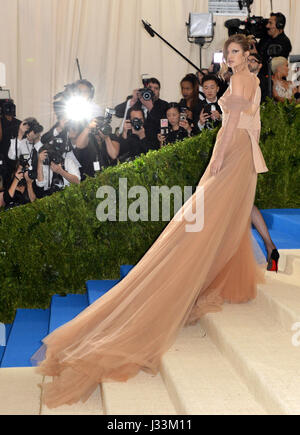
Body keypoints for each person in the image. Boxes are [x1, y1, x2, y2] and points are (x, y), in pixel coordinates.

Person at [32, 33, 268, 409]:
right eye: (230, 52)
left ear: (247, 54)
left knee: (203, 218)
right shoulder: (252, 79)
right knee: (224, 216)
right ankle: (214, 279)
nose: (232, 57)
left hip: (234, 152)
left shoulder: (240, 80)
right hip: (247, 152)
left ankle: (190, 278)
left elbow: (229, 128)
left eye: (237, 52)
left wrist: (216, 163)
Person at [257, 12, 292, 77]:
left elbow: (273, 64)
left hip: (274, 80)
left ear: (279, 25)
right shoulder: (265, 38)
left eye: (270, 23)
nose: (267, 26)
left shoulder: (284, 42)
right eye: (268, 23)